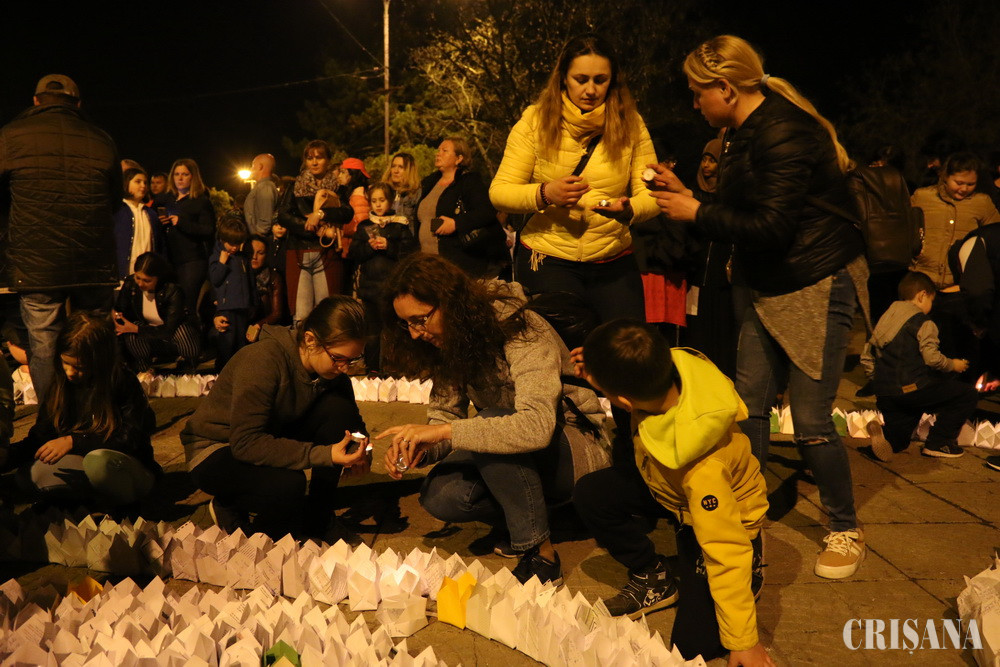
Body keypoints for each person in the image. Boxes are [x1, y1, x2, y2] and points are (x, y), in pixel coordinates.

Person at [652, 35, 868, 579]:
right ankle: (747, 512)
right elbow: (747, 210)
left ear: (726, 88)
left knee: (812, 420)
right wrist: (694, 197)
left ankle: (845, 527)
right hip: (766, 283)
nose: (694, 103)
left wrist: (695, 213)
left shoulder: (785, 131)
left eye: (698, 92)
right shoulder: (740, 133)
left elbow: (772, 226)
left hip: (813, 282)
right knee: (747, 408)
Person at [376, 254, 610, 585]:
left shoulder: (522, 328)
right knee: (442, 495)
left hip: (575, 445)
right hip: (516, 451)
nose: (415, 334)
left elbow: (535, 427)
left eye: (420, 320)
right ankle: (534, 515)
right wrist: (421, 448)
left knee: (491, 424)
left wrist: (444, 431)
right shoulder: (450, 341)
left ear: (449, 303)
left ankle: (540, 552)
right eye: (407, 324)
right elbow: (446, 414)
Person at [572, 320, 771, 665]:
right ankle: (654, 576)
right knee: (592, 493)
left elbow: (726, 549)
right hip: (669, 488)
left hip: (721, 518)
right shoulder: (669, 366)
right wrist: (600, 375)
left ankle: (751, 570)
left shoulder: (704, 468)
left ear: (623, 400)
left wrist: (744, 641)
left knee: (691, 648)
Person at [489, 34, 660, 320]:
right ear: (563, 79)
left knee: (626, 343)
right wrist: (545, 193)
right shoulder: (534, 121)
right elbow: (500, 192)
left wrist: (629, 209)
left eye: (600, 80)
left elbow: (652, 195)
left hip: (613, 259)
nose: (591, 89)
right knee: (560, 345)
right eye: (581, 79)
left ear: (613, 81)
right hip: (548, 259)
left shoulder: (631, 123)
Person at [181, 296, 371, 538]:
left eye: (353, 359)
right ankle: (229, 505)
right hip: (218, 448)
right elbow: (246, 443)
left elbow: (353, 423)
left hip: (270, 432)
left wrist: (362, 450)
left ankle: (319, 516)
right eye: (338, 358)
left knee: (338, 409)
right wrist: (325, 454)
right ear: (310, 340)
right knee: (289, 485)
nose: (345, 367)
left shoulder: (333, 374)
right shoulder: (263, 360)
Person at [0, 74, 119, 403]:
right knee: (94, 341)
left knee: (44, 346)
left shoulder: (10, 136)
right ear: (77, 104)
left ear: (35, 101)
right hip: (93, 258)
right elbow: (114, 199)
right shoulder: (100, 138)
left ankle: (53, 420)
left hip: (37, 261)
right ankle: (100, 415)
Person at [5, 311, 159, 506]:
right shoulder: (60, 384)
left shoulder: (121, 381)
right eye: (65, 363)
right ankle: (90, 498)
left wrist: (74, 441)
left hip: (124, 464)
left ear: (99, 362)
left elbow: (130, 439)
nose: (70, 372)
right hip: (83, 461)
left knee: (98, 463)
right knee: (30, 475)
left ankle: (122, 504)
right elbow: (41, 438)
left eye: (79, 367)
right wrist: (7, 457)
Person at [861, 272, 977, 461]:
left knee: (899, 441)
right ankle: (939, 443)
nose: (931, 305)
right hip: (912, 389)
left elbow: (867, 355)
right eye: (931, 300)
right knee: (966, 394)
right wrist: (953, 365)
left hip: (886, 394)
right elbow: (932, 359)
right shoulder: (923, 322)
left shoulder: (885, 318)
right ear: (922, 295)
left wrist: (877, 380)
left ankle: (885, 439)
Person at [276, 140, 354, 325]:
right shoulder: (295, 186)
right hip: (299, 251)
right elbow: (283, 216)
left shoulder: (337, 187)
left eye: (319, 157)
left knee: (325, 312)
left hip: (327, 253)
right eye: (310, 158)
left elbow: (347, 212)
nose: (314, 162)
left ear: (328, 160)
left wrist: (320, 214)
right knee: (301, 313)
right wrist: (310, 227)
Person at [347, 182, 417, 373]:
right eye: (374, 201)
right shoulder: (365, 226)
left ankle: (395, 368)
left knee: (394, 330)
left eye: (382, 200)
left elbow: (410, 253)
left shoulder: (400, 225)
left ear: (390, 201)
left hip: (393, 289)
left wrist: (389, 246)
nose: (378, 205)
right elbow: (353, 254)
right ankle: (373, 369)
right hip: (370, 289)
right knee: (372, 332)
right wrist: (368, 247)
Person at [911, 151, 1000, 288]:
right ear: (945, 176)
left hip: (959, 283)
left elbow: (995, 239)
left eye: (970, 184)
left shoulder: (982, 203)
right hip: (921, 278)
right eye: (959, 183)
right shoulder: (923, 197)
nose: (964, 189)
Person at [417, 138, 502, 278]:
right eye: (438, 150)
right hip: (427, 263)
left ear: (459, 158)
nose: (438, 154)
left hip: (457, 263)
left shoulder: (469, 182)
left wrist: (456, 223)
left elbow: (487, 211)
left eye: (444, 151)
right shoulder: (429, 182)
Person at [114, 252, 201, 372]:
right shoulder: (131, 284)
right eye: (137, 278)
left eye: (147, 280)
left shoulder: (172, 289)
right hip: (147, 335)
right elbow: (120, 308)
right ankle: (144, 369)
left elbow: (169, 329)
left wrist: (136, 329)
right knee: (130, 331)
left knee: (183, 331)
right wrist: (117, 317)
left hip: (170, 335)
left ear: (158, 278)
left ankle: (188, 366)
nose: (140, 284)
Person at [159, 158, 216, 320]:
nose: (180, 178)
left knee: (186, 305)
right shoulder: (168, 199)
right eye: (176, 174)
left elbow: (208, 230)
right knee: (171, 305)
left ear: (193, 177)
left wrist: (182, 223)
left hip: (192, 261)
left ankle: (190, 334)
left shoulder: (200, 201)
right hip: (170, 259)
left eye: (185, 174)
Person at [209, 215, 255, 372]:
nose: (234, 247)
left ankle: (239, 373)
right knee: (226, 344)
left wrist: (252, 303)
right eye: (231, 243)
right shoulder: (217, 256)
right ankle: (222, 372)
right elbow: (215, 280)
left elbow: (250, 282)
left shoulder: (242, 258)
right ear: (222, 240)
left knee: (241, 344)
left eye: (238, 243)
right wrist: (222, 263)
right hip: (227, 308)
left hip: (242, 307)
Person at [114, 167, 165, 281]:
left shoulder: (151, 214)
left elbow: (159, 245)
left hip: (147, 276)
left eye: (145, 183)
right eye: (138, 182)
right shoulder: (117, 211)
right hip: (122, 275)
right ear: (126, 183)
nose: (143, 186)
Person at [245, 236, 289, 343]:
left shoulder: (273, 277)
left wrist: (258, 325)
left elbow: (276, 314)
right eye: (251, 252)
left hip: (264, 326)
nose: (254, 257)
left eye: (260, 253)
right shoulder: (239, 275)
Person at [336, 157, 371, 258]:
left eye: (343, 172)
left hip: (354, 249)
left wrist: (340, 230)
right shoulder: (352, 193)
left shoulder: (359, 195)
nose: (339, 176)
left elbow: (360, 225)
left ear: (353, 174)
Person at [382, 151, 422, 235]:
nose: (395, 171)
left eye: (401, 167)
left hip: (406, 239)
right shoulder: (384, 191)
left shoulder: (416, 193)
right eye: (393, 166)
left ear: (409, 170)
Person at [243, 153, 278, 238]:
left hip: (259, 240)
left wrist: (257, 239)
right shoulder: (263, 187)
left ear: (260, 167)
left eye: (252, 166)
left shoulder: (265, 187)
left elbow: (265, 222)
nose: (251, 169)